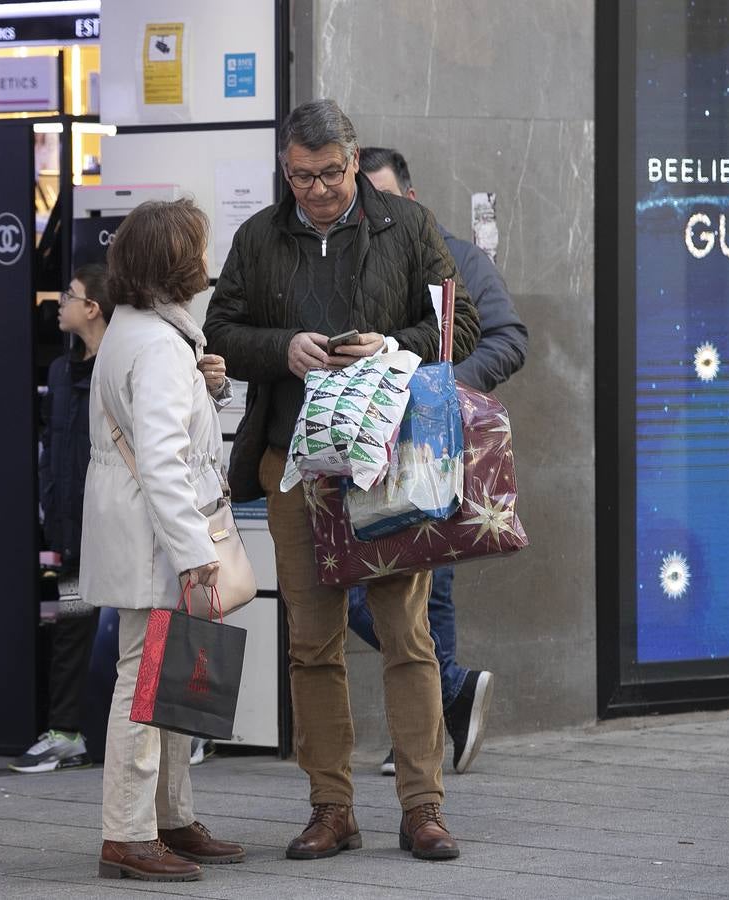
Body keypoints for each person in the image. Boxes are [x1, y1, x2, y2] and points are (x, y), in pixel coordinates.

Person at [204, 99, 480, 863]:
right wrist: (281, 347)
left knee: (406, 636)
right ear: (285, 170)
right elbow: (221, 330)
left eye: (329, 174)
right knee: (312, 643)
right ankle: (332, 808)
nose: (317, 190)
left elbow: (460, 326)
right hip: (294, 465)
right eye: (301, 177)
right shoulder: (260, 236)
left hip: (390, 463)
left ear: (354, 162)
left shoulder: (408, 226)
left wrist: (390, 346)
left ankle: (422, 807)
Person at [351, 146, 529, 777]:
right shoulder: (351, 257)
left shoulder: (458, 257)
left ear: (412, 196)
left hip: (436, 447)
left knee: (434, 587)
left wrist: (440, 391)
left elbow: (509, 339)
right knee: (356, 593)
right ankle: (448, 695)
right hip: (364, 454)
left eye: (385, 195)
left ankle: (422, 731)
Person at [81, 199, 244, 882]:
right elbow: (165, 461)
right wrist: (197, 555)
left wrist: (210, 386)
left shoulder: (150, 333)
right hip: (158, 537)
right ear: (176, 262)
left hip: (147, 533)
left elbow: (173, 438)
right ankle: (128, 831)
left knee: (168, 679)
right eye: (197, 248)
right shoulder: (155, 343)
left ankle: (167, 818)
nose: (205, 261)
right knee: (147, 684)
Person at [10, 264, 114, 773]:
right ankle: (65, 730)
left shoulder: (119, 368)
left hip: (118, 533)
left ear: (92, 308)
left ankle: (175, 730)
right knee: (72, 626)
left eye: (69, 296)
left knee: (134, 631)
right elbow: (53, 447)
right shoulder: (59, 369)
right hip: (74, 533)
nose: (60, 304)